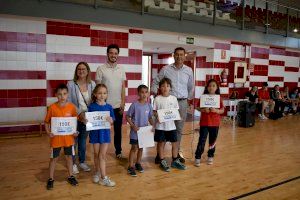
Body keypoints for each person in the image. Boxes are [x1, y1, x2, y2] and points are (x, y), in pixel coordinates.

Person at [151, 47, 194, 163]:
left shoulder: (189, 70)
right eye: (177, 54)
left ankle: (176, 155)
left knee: (178, 129)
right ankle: (159, 155)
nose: (179, 56)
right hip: (167, 103)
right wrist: (155, 94)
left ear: (184, 56)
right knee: (163, 128)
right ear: (173, 55)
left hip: (182, 102)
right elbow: (155, 82)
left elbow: (191, 87)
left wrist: (188, 100)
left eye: (181, 54)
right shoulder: (165, 69)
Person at [45, 84, 79, 190]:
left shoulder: (72, 107)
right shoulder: (52, 107)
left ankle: (71, 176)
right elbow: (46, 122)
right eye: (59, 94)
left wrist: (75, 132)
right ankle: (50, 178)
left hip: (69, 139)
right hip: (56, 139)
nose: (62, 96)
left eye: (64, 94)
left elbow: (74, 122)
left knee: (69, 158)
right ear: (56, 95)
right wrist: (48, 132)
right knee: (54, 158)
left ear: (67, 94)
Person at [96, 44, 126, 159]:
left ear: (118, 55)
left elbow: (123, 87)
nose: (113, 55)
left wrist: (123, 102)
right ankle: (100, 152)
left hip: (118, 105)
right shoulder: (100, 69)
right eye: (111, 53)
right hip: (104, 106)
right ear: (107, 54)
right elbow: (98, 89)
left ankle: (118, 151)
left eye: (115, 53)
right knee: (103, 130)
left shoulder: (121, 69)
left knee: (118, 130)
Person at [67, 62, 96, 174]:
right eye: (79, 69)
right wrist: (79, 114)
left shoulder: (92, 84)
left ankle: (82, 161)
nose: (81, 71)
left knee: (83, 141)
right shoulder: (71, 84)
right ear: (76, 71)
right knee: (73, 141)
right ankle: (73, 163)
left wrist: (87, 115)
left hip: (87, 118)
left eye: (84, 69)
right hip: (75, 117)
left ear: (87, 71)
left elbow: (95, 100)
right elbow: (69, 101)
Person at [153, 78, 187, 172]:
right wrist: (157, 116)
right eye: (163, 86)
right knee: (161, 143)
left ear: (170, 88)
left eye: (167, 86)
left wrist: (178, 116)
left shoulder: (174, 98)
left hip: (171, 126)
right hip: (160, 127)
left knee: (175, 143)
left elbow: (176, 111)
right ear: (160, 87)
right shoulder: (157, 99)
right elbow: (154, 111)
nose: (165, 88)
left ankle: (175, 160)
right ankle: (162, 161)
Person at [87, 84, 116, 187]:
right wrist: (87, 121)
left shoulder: (109, 107)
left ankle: (104, 177)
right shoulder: (91, 107)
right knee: (96, 154)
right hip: (95, 134)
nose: (102, 95)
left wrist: (110, 120)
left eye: (104, 93)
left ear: (107, 94)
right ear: (95, 94)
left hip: (105, 134)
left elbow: (112, 121)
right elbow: (89, 122)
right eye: (99, 93)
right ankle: (97, 172)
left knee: (102, 155)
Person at [194, 79, 224, 167]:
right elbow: (198, 107)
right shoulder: (203, 97)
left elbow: (222, 110)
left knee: (212, 141)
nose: (211, 87)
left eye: (213, 85)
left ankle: (210, 156)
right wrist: (203, 109)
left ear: (217, 88)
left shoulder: (219, 98)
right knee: (202, 140)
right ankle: (198, 157)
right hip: (204, 123)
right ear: (207, 87)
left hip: (215, 123)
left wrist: (216, 111)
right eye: (210, 85)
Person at [126, 85, 154, 177]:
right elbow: (127, 116)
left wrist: (153, 125)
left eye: (146, 92)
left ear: (148, 93)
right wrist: (133, 126)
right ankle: (130, 166)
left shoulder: (149, 105)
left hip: (144, 132)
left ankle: (138, 163)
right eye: (142, 92)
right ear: (138, 93)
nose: (144, 94)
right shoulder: (134, 105)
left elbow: (150, 117)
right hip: (135, 132)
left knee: (141, 148)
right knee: (134, 148)